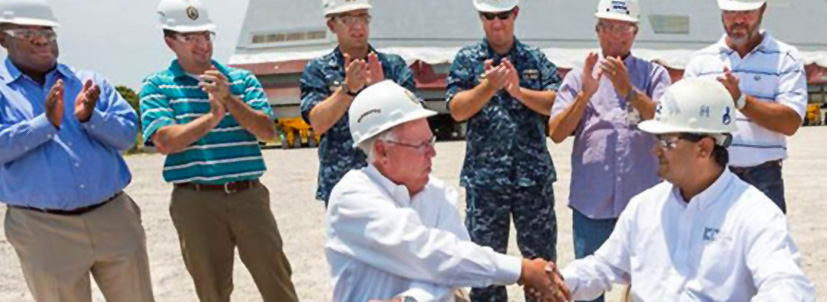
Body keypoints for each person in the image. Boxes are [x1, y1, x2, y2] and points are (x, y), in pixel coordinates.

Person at [559, 78, 815, 302]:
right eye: (656, 140)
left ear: (704, 148)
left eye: (666, 141)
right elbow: (602, 266)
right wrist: (558, 283)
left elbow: (787, 286)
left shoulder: (755, 215)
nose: (655, 150)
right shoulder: (645, 206)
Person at [326, 80, 569, 302]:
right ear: (382, 151)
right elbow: (426, 252)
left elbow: (453, 267)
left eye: (431, 142)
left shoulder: (437, 193)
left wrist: (409, 301)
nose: (432, 153)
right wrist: (521, 270)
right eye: (421, 145)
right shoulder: (352, 197)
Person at [139, 0, 297, 301]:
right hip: (196, 202)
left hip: (249, 196)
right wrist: (211, 118)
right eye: (190, 38)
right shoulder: (157, 87)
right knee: (211, 290)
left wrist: (230, 101)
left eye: (206, 35)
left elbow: (267, 131)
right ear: (169, 41)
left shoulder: (242, 80)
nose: (202, 45)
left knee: (277, 282)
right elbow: (164, 141)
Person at [0, 0, 154, 301]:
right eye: (27, 31)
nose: (41, 38)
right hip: (42, 228)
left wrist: (90, 117)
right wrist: (44, 124)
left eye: (48, 31)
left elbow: (127, 138)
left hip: (114, 218)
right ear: (2, 38)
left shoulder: (90, 82)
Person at [548, 1, 669, 300]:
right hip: (592, 203)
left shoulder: (654, 75)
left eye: (623, 28)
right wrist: (584, 95)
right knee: (589, 286)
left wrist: (628, 90)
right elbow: (557, 132)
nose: (616, 35)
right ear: (597, 30)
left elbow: (666, 121)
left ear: (635, 32)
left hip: (644, 202)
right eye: (609, 27)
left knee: (650, 287)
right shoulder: (580, 75)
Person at [445, 0, 562, 300]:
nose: (496, 22)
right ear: (480, 17)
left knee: (543, 268)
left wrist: (517, 91)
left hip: (531, 180)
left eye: (503, 15)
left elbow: (556, 102)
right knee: (484, 270)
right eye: (489, 16)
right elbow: (457, 110)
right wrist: (488, 87)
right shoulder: (467, 59)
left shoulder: (534, 58)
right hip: (485, 183)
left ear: (515, 14)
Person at [682, 0, 808, 214]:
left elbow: (791, 123)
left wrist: (740, 101)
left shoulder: (785, 58)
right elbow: (684, 123)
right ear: (721, 13)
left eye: (747, 12)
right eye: (731, 12)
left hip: (763, 178)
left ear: (763, 10)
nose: (739, 20)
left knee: (764, 246)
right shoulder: (701, 62)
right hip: (710, 178)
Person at [301, 0, 417, 205]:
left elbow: (416, 119)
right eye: (347, 20)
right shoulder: (318, 70)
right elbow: (318, 123)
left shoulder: (393, 66)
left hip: (392, 180)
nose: (358, 26)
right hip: (342, 184)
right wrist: (347, 91)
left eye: (363, 17)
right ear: (331, 25)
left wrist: (383, 91)